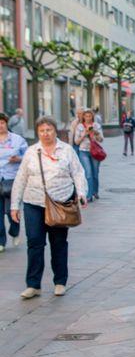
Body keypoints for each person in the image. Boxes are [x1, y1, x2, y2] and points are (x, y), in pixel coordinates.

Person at [10, 115, 87, 298]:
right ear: (38, 132)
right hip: (33, 203)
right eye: (42, 131)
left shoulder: (66, 150)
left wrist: (82, 193)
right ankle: (33, 284)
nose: (46, 134)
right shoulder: (31, 151)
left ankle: (60, 281)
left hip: (60, 202)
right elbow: (21, 178)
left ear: (55, 130)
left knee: (58, 243)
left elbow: (78, 173)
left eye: (49, 130)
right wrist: (15, 205)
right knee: (35, 243)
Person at [0, 111, 27, 252]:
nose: (0, 126)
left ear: (6, 123)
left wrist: (18, 159)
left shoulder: (17, 140)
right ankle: (1, 242)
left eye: (2, 123)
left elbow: (28, 157)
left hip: (12, 180)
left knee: (12, 211)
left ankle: (15, 231)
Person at [75, 108, 104, 201]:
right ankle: (89, 195)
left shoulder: (96, 125)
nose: (88, 118)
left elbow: (101, 140)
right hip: (84, 151)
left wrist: (95, 133)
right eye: (86, 116)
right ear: (83, 117)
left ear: (92, 116)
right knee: (88, 174)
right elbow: (76, 141)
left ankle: (95, 191)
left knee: (95, 174)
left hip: (95, 152)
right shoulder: (79, 126)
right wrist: (84, 134)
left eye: (89, 116)